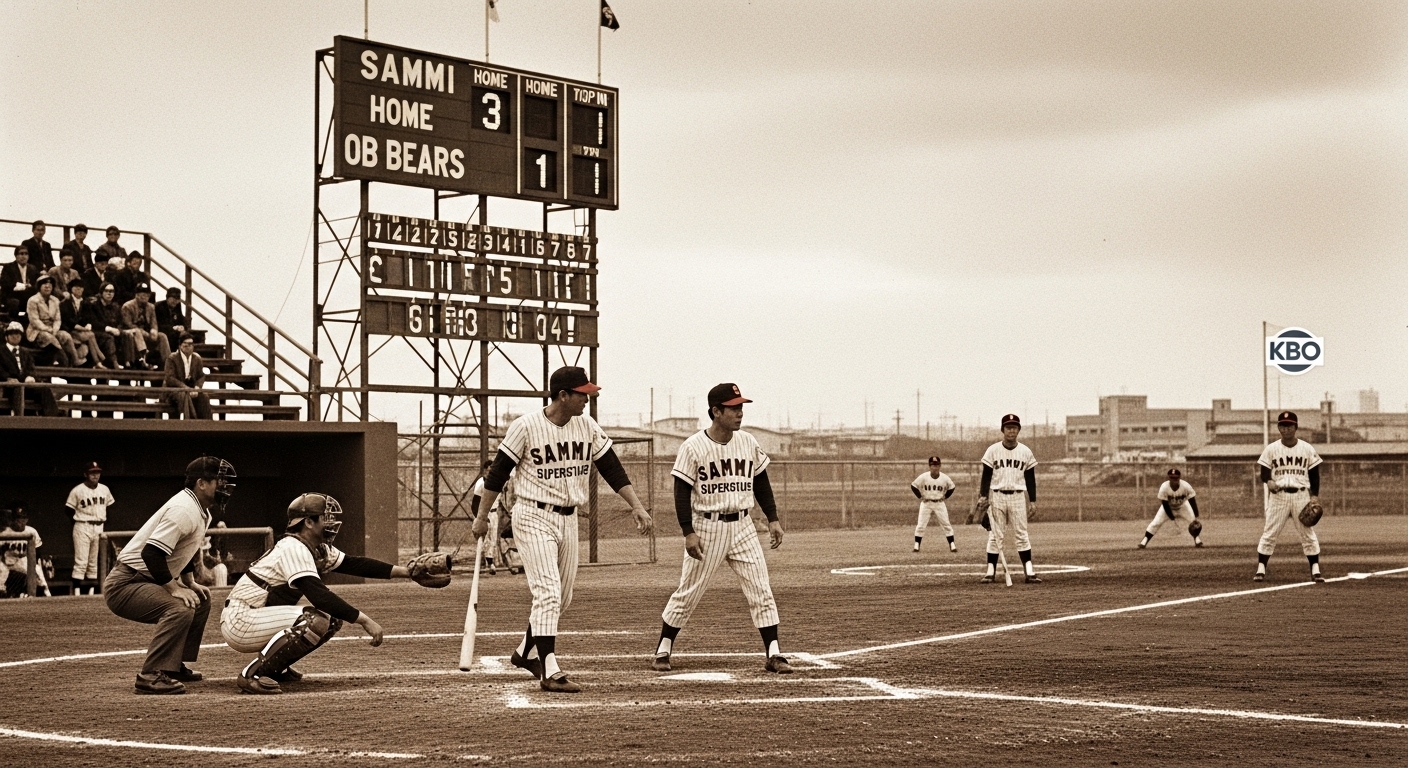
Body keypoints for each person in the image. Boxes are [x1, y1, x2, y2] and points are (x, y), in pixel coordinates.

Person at [471, 365, 653, 693]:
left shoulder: (587, 426)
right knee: (548, 592)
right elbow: (497, 474)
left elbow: (611, 467)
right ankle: (549, 670)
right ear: (563, 395)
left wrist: (636, 505)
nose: (588, 399)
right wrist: (482, 516)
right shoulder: (525, 426)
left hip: (568, 519)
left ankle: (524, 653)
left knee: (562, 598)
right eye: (582, 394)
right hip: (533, 515)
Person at [651, 383, 790, 675]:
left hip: (743, 526)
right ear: (716, 411)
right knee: (689, 591)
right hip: (707, 526)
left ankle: (774, 653)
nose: (740, 413)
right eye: (733, 408)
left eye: (741, 407)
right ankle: (663, 646)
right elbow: (681, 491)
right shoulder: (693, 446)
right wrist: (688, 531)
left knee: (760, 588)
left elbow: (761, 482)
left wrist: (773, 518)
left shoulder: (747, 442)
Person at [223, 493, 424, 694]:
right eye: (325, 517)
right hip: (241, 619)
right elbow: (319, 595)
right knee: (315, 620)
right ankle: (251, 675)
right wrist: (364, 620)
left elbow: (355, 564)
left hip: (257, 613)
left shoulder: (316, 548)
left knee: (332, 619)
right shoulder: (293, 547)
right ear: (308, 522)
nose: (330, 522)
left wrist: (406, 572)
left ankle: (275, 668)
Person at [103, 456, 236, 695]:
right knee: (179, 608)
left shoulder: (199, 509)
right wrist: (174, 589)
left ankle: (172, 666)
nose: (224, 486)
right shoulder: (184, 509)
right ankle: (151, 674)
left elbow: (184, 547)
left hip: (145, 578)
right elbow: (151, 553)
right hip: (126, 582)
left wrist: (189, 582)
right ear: (201, 483)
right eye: (219, 480)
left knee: (200, 599)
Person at [1254, 411, 1325, 583]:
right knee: (1270, 532)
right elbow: (1264, 472)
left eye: (1290, 425)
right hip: (1279, 496)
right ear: (1279, 428)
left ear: (1296, 427)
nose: (1286, 429)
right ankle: (1261, 569)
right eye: (1283, 426)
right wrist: (1268, 481)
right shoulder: (1271, 449)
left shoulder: (1307, 448)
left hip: (1301, 495)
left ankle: (1315, 569)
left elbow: (1314, 475)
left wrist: (1314, 496)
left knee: (1307, 533)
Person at [973, 414, 1041, 584]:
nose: (1011, 430)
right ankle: (990, 572)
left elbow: (1030, 478)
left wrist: (1032, 501)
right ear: (1002, 430)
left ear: (1018, 430)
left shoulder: (1025, 451)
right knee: (995, 535)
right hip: (997, 496)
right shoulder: (993, 450)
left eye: (1014, 427)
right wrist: (983, 496)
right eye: (1008, 427)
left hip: (1018, 497)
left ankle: (1029, 571)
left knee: (1022, 534)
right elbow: (986, 476)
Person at [66, 462, 115, 595]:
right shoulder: (77, 490)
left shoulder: (104, 489)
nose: (95, 475)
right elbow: (68, 510)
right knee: (81, 561)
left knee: (93, 562)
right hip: (82, 525)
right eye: (92, 473)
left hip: (99, 526)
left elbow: (109, 507)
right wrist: (78, 523)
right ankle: (76, 593)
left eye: (97, 472)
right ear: (85, 474)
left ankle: (91, 593)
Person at [1, 321, 58, 416]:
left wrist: (30, 376)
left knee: (44, 388)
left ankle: (52, 417)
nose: (15, 336)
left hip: (26, 384)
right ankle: (20, 418)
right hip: (9, 387)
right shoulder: (1, 351)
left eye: (18, 333)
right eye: (12, 333)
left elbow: (30, 368)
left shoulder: (25, 353)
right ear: (6, 336)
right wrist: (7, 378)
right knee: (18, 389)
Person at [1138, 469, 1203, 549]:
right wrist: (1171, 516)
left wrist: (1195, 514)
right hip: (1168, 507)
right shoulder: (1164, 487)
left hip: (1183, 506)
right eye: (1172, 478)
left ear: (1179, 478)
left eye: (1176, 478)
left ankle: (1197, 540)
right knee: (1155, 523)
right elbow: (1165, 504)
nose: (1174, 480)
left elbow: (1192, 500)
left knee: (1194, 522)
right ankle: (1144, 541)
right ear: (1169, 478)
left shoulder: (1186, 486)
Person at [0, 504, 50, 598]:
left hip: (23, 563)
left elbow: (37, 553)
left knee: (37, 569)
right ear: (13, 519)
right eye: (18, 518)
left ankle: (46, 595)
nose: (21, 521)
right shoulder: (5, 532)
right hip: (7, 564)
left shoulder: (31, 531)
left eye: (24, 518)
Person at [25, 276, 77, 366]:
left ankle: (75, 360)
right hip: (37, 331)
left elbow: (57, 319)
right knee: (50, 338)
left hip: (53, 329)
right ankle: (64, 361)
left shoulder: (55, 300)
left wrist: (55, 329)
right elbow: (34, 321)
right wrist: (48, 329)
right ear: (39, 287)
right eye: (44, 284)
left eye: (50, 285)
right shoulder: (32, 300)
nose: (47, 287)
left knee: (66, 336)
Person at [911, 456, 957, 553]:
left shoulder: (944, 478)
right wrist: (920, 496)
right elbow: (913, 485)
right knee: (921, 525)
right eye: (932, 465)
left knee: (946, 524)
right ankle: (917, 545)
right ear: (929, 466)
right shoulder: (924, 477)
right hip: (926, 503)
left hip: (939, 503)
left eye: (936, 465)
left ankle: (952, 544)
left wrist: (946, 496)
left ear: (940, 466)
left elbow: (952, 487)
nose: (935, 467)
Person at [121, 283, 170, 369]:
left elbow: (154, 322)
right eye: (142, 294)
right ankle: (143, 359)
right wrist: (142, 331)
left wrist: (154, 330)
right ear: (136, 295)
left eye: (147, 295)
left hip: (146, 332)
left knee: (162, 336)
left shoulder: (151, 307)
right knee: (137, 332)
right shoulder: (127, 306)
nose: (144, 297)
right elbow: (127, 323)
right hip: (131, 331)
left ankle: (168, 363)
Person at [163, 333, 212, 419]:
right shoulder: (172, 358)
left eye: (191, 344)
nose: (188, 347)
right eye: (186, 345)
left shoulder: (197, 358)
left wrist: (197, 387)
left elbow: (201, 376)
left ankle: (207, 423)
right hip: (174, 389)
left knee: (204, 396)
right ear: (180, 346)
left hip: (191, 388)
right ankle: (190, 421)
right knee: (185, 396)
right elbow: (170, 378)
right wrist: (185, 388)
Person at [60, 279, 102, 368]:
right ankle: (99, 360)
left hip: (80, 329)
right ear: (71, 289)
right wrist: (83, 329)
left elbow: (88, 317)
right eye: (76, 287)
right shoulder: (65, 303)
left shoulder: (85, 302)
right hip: (70, 330)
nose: (79, 289)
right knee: (90, 335)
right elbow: (67, 321)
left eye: (81, 287)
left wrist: (87, 325)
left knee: (91, 334)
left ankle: (98, 361)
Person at [91, 282, 129, 368]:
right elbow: (94, 323)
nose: (109, 293)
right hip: (98, 331)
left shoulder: (115, 306)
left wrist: (118, 329)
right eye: (107, 291)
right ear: (101, 292)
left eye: (111, 291)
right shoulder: (94, 305)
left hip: (113, 330)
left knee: (126, 334)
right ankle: (114, 362)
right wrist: (109, 328)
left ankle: (128, 362)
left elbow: (120, 321)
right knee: (109, 337)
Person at [1, 245, 41, 321]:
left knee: (35, 300)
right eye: (21, 254)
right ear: (16, 256)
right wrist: (23, 286)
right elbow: (5, 284)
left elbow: (36, 284)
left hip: (27, 295)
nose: (24, 256)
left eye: (26, 254)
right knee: (14, 303)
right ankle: (13, 323)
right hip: (12, 295)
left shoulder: (33, 268)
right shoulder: (8, 267)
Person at [155, 286, 189, 354]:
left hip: (174, 332)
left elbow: (181, 319)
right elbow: (158, 324)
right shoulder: (159, 307)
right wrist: (173, 328)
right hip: (163, 331)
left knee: (186, 335)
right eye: (173, 298)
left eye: (177, 299)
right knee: (171, 335)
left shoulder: (177, 306)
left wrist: (183, 327)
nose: (175, 301)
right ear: (167, 298)